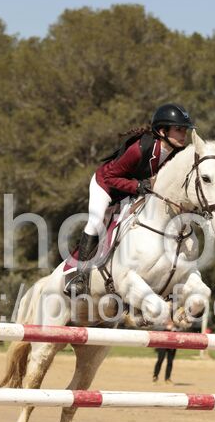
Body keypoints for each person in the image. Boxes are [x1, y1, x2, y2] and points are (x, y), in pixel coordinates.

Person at [65, 103, 196, 295]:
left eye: (185, 130)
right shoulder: (139, 149)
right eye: (179, 130)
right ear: (162, 131)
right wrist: (137, 186)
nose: (184, 134)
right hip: (106, 186)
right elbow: (110, 177)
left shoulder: (176, 154)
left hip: (134, 191)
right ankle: (79, 277)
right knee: (96, 221)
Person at [153, 320, 178, 385]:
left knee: (170, 362)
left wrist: (175, 328)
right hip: (163, 343)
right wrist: (166, 327)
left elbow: (183, 328)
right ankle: (155, 376)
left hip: (172, 343)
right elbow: (155, 327)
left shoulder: (177, 320)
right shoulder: (162, 319)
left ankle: (167, 378)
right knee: (160, 360)